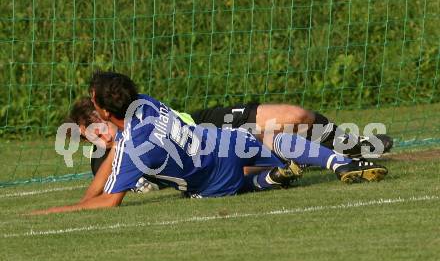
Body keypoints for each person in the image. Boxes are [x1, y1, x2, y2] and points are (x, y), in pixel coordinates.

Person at [32, 72, 388, 214]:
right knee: (275, 139)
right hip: (225, 143)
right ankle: (338, 162)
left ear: (104, 113)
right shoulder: (149, 103)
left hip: (213, 182)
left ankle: (271, 178)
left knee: (236, 181)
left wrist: (53, 211)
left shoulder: (130, 147)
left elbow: (109, 198)